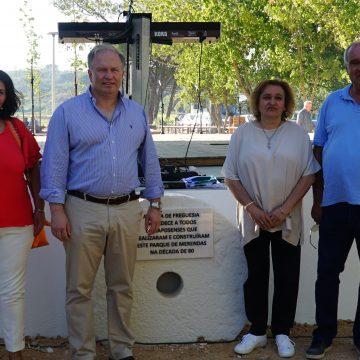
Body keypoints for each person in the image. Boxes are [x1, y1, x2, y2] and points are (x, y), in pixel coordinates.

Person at [40, 44, 164, 360]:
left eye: (114, 70)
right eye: (102, 70)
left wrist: (155, 203)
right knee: (79, 289)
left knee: (122, 287)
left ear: (122, 74)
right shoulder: (67, 113)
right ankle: (82, 352)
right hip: (81, 209)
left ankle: (122, 350)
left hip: (126, 209)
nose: (108, 76)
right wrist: (56, 210)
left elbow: (149, 160)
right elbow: (54, 163)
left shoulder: (136, 112)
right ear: (90, 73)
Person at [222, 79, 320, 358]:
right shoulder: (242, 134)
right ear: (257, 101)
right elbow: (231, 176)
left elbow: (308, 174)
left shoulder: (298, 134)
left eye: (278, 97)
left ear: (286, 103)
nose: (272, 102)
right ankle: (256, 332)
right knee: (256, 276)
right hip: (254, 218)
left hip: (287, 219)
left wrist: (285, 209)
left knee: (287, 276)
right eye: (266, 97)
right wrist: (253, 209)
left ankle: (282, 333)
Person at [306, 41, 360, 359]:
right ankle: (323, 335)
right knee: (327, 273)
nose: (359, 67)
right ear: (347, 67)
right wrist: (317, 199)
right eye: (354, 62)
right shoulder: (332, 102)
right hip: (335, 204)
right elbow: (318, 152)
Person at [0, 70, 44, 360]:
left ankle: (14, 351)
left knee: (12, 292)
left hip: (16, 224)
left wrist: (40, 208)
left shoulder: (17, 130)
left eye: (1, 91)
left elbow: (34, 166)